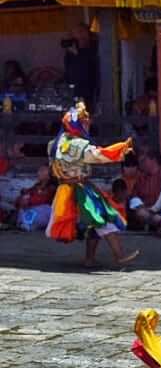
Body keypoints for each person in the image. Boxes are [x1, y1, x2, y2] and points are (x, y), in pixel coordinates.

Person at [45, 101, 138, 266]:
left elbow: (53, 170)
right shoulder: (77, 145)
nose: (88, 124)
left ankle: (90, 259)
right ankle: (119, 255)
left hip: (65, 188)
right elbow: (98, 156)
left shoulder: (55, 144)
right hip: (78, 190)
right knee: (101, 219)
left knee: (94, 224)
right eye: (85, 122)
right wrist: (121, 149)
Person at [62, 24, 99, 107]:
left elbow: (90, 70)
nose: (79, 36)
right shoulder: (71, 52)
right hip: (74, 92)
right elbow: (68, 70)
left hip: (90, 92)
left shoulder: (94, 49)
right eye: (75, 34)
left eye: (81, 32)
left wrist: (77, 54)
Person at [15, 164, 56, 232]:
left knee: (44, 208)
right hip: (33, 210)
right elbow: (26, 194)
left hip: (45, 212)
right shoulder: (36, 186)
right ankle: (26, 224)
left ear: (49, 175)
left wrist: (29, 201)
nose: (38, 173)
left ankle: (27, 224)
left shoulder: (52, 187)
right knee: (23, 207)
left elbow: (43, 199)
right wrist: (21, 200)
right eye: (39, 170)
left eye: (42, 171)